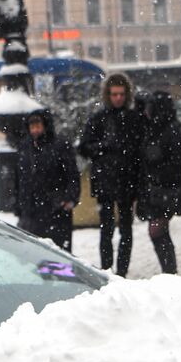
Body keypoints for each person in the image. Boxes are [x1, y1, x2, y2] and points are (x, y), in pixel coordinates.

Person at [77, 73, 142, 274]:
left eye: (121, 94)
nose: (118, 98)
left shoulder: (133, 119)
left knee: (125, 230)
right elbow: (84, 147)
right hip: (106, 180)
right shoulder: (99, 119)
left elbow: (139, 150)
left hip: (125, 181)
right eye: (114, 94)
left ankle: (121, 271)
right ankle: (107, 270)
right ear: (108, 95)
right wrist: (104, 148)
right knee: (107, 230)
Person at [135, 89, 181, 274]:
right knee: (159, 230)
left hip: (166, 189)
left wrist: (158, 171)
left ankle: (170, 271)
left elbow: (179, 162)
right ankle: (169, 270)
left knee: (157, 230)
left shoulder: (172, 129)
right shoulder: (153, 128)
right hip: (156, 188)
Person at [14, 107, 78, 251]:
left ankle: (59, 274)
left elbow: (72, 174)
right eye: (32, 126)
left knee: (59, 254)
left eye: (38, 126)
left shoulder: (60, 146)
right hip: (31, 210)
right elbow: (19, 178)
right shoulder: (25, 147)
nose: (35, 130)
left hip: (56, 208)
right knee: (35, 253)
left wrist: (69, 198)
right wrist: (19, 205)